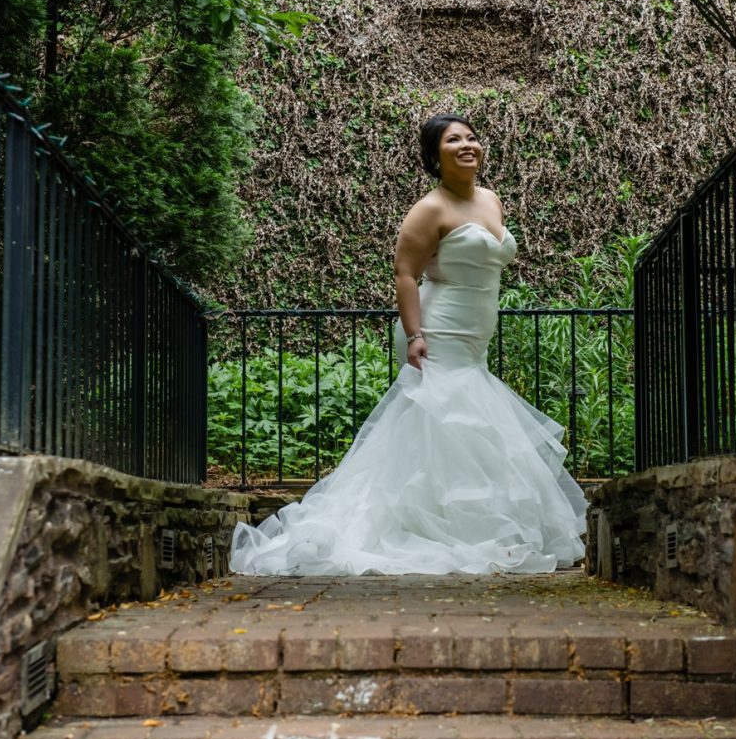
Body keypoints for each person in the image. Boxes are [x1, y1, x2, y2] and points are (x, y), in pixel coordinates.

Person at [229, 114, 588, 576]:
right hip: (438, 327)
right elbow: (405, 275)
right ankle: (434, 526)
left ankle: (466, 525)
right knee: (444, 417)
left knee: (467, 422)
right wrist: (416, 336)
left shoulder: (492, 200)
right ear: (434, 156)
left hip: (475, 330)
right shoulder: (429, 209)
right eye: (453, 139)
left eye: (471, 138)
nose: (467, 145)